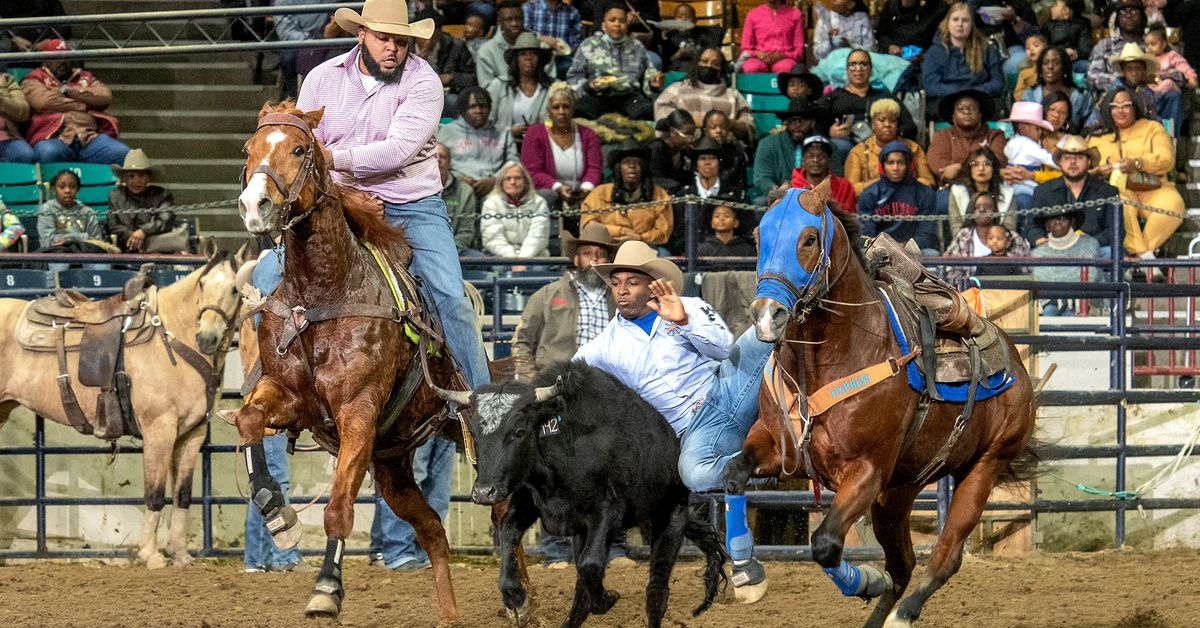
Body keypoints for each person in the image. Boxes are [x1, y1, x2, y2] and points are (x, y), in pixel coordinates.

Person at [296, 0, 490, 393]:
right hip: (335, 200)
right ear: (361, 35)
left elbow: (396, 151)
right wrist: (344, 193)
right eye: (384, 39)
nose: (393, 49)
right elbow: (301, 149)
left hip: (410, 205)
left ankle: (484, 406)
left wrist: (331, 158)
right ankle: (276, 386)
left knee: (451, 297)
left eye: (401, 42)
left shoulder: (423, 81)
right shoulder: (320, 79)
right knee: (270, 278)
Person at [574, 240, 776, 603]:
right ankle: (765, 461)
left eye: (631, 282)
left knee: (768, 327)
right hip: (693, 429)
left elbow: (723, 347)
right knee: (694, 474)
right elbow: (568, 376)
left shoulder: (690, 307)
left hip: (727, 389)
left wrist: (681, 321)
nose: (621, 290)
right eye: (616, 282)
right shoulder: (604, 345)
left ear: (651, 283)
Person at [242, 240, 306, 574]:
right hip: (271, 395)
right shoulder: (273, 268)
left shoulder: (264, 270)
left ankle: (257, 558)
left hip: (261, 395)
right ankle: (280, 557)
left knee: (265, 478)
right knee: (274, 476)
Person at [1087, 87, 1184, 269]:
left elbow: (1166, 160)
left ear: (1135, 108)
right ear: (1108, 109)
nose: (1120, 111)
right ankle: (1147, 259)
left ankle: (1141, 256)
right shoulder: (1096, 138)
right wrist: (1099, 171)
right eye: (1115, 107)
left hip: (1153, 187)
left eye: (1126, 106)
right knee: (1118, 205)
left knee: (1174, 204)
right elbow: (1084, 172)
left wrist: (1138, 163)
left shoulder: (1152, 128)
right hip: (1117, 191)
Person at [22, 39, 129, 165]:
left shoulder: (85, 77)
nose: (62, 62)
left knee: (123, 153)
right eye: (56, 58)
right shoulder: (34, 78)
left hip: (89, 137)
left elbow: (104, 97)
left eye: (66, 57)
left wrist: (67, 91)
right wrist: (84, 104)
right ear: (46, 60)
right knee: (47, 153)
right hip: (54, 137)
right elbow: (43, 102)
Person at [521, 82, 603, 220]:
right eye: (556, 107)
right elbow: (532, 171)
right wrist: (558, 187)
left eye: (566, 107)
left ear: (572, 110)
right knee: (548, 196)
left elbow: (595, 168)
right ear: (548, 111)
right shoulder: (535, 133)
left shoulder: (588, 134)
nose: (561, 112)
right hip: (550, 192)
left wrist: (586, 188)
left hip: (582, 192)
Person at [816, 49, 919, 158]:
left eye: (863, 64)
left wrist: (888, 133)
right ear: (847, 69)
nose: (858, 69)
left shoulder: (885, 96)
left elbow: (910, 127)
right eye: (853, 64)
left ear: (871, 69)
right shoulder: (833, 97)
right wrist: (829, 131)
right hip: (845, 144)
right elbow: (815, 122)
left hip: (881, 146)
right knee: (838, 147)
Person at [566, 4, 662, 120]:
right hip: (597, 94)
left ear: (627, 25)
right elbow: (574, 76)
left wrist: (652, 84)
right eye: (612, 20)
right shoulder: (589, 44)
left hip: (629, 95)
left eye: (622, 21)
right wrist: (587, 86)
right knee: (580, 110)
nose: (617, 24)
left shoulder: (637, 46)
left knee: (646, 111)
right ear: (603, 25)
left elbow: (649, 74)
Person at [1024, 134, 1117, 252]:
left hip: (1092, 249)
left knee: (1109, 253)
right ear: (1060, 162)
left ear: (1088, 162)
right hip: (1054, 248)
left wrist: (1091, 243)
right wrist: (1040, 239)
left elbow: (1115, 230)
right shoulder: (1043, 191)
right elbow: (1031, 226)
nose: (1072, 162)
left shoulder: (1107, 191)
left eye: (1079, 158)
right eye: (1067, 158)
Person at [580, 139, 673, 251]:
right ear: (618, 168)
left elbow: (663, 231)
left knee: (664, 255)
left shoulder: (659, 194)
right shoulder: (599, 193)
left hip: (645, 246)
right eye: (626, 162)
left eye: (637, 162)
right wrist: (620, 231)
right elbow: (588, 226)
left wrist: (639, 238)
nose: (632, 166)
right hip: (606, 246)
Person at [922, 2, 1004, 121]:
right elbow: (931, 87)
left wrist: (977, 92)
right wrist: (961, 93)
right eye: (955, 19)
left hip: (979, 98)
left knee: (1000, 109)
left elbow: (997, 82)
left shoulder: (986, 48)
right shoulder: (934, 52)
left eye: (965, 20)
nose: (960, 24)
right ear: (947, 23)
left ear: (972, 24)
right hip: (946, 101)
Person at [436, 87, 519, 200]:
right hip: (457, 188)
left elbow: (513, 163)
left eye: (483, 106)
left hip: (496, 188)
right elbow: (437, 162)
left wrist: (496, 180)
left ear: (490, 109)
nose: (478, 111)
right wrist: (456, 179)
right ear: (463, 110)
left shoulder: (503, 133)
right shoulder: (447, 132)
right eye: (473, 106)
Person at [857, 140, 939, 254]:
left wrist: (904, 246)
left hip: (913, 250)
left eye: (901, 162)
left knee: (932, 253)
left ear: (909, 165)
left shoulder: (925, 193)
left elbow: (926, 233)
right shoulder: (869, 194)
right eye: (890, 163)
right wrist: (885, 248)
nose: (895, 168)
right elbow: (866, 233)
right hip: (879, 251)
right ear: (883, 165)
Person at [653, 47, 752, 140]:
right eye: (704, 61)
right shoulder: (678, 89)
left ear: (721, 69)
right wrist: (695, 120)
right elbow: (662, 115)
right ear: (696, 64)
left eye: (715, 63)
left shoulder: (732, 95)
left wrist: (728, 123)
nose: (709, 66)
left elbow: (748, 126)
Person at [844, 98, 934, 195]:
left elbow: (929, 183)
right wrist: (882, 182)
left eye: (892, 121)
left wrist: (903, 183)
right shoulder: (859, 152)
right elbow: (851, 190)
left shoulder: (913, 148)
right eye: (881, 120)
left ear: (897, 124)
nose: (887, 125)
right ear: (873, 124)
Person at [927, 89, 1008, 187]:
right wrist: (980, 166)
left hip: (987, 188)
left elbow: (998, 163)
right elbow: (938, 165)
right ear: (953, 116)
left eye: (972, 108)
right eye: (961, 108)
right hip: (952, 187)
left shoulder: (995, 136)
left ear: (980, 115)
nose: (966, 111)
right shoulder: (942, 135)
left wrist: (959, 167)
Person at [944, 191, 1031, 281]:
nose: (982, 210)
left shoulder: (1013, 238)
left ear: (995, 210)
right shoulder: (963, 236)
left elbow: (1026, 273)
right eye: (977, 207)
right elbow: (951, 269)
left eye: (987, 206)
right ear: (971, 211)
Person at [107, 149, 181, 253]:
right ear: (124, 178)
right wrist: (132, 237)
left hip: (156, 249)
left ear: (148, 178)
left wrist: (143, 231)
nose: (137, 181)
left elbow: (166, 219)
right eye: (131, 176)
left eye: (141, 175)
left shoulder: (162, 194)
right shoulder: (115, 196)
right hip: (124, 248)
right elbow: (113, 225)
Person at [753, 101, 827, 204]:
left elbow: (834, 174)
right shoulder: (768, 143)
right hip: (780, 196)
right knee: (760, 202)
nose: (797, 125)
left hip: (816, 196)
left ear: (812, 122)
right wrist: (777, 192)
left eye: (803, 120)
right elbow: (762, 177)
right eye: (793, 120)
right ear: (786, 122)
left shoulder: (826, 146)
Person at [1031, 206, 1101, 316]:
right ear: (1046, 225)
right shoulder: (1037, 253)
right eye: (1052, 219)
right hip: (1050, 304)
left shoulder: (1089, 244)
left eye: (1063, 218)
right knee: (1049, 313)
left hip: (1082, 304)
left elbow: (1091, 277)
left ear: (1072, 222)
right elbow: (1040, 283)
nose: (1058, 222)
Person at [487, 32, 553, 140]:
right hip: (503, 147)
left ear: (540, 59)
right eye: (523, 54)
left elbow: (562, 126)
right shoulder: (499, 85)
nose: (528, 58)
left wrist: (540, 130)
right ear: (516, 59)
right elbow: (485, 124)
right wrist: (509, 132)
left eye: (534, 53)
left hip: (542, 145)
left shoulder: (552, 88)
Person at [476, 0, 556, 89]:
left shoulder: (541, 46)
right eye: (508, 20)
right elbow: (486, 89)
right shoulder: (486, 51)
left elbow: (550, 84)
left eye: (518, 19)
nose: (514, 24)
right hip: (501, 100)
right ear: (500, 22)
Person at [479, 162, 551, 259]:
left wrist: (523, 259)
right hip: (500, 256)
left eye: (518, 178)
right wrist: (512, 259)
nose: (513, 182)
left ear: (525, 181)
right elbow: (493, 238)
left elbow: (538, 236)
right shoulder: (491, 203)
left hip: (533, 256)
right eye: (508, 178)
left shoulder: (539, 202)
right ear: (501, 182)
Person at [414, 8, 477, 119]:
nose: (428, 40)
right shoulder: (404, 46)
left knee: (455, 101)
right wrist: (415, 62)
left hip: (445, 95)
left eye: (433, 35)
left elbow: (473, 77)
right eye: (423, 35)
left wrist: (453, 77)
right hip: (415, 96)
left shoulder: (456, 46)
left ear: (439, 33)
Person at [274, 0, 340, 100]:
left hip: (324, 37)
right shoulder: (282, 2)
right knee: (288, 58)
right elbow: (285, 32)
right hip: (296, 42)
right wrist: (311, 41)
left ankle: (329, 99)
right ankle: (292, 98)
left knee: (337, 57)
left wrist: (322, 37)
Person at [947, 147, 1019, 234]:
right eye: (976, 164)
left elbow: (1009, 228)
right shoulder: (958, 192)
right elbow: (956, 227)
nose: (981, 168)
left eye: (987, 164)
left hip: (998, 242)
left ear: (994, 168)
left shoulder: (1007, 193)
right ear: (970, 168)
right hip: (966, 243)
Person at [1019, 47, 1093, 131]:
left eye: (1056, 63)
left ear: (1064, 67)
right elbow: (1022, 128)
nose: (1050, 67)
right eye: (1046, 63)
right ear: (1041, 67)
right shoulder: (1030, 95)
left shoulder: (1081, 96)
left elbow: (1089, 127)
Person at [999, 102, 1060, 202]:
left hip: (1010, 186)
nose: (1040, 132)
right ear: (1024, 128)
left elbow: (1006, 152)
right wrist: (1063, 163)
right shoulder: (1030, 146)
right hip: (1028, 187)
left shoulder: (1011, 142)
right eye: (1037, 128)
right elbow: (1048, 159)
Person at [1087, 0, 1149, 94]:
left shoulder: (1152, 44)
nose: (1128, 16)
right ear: (1117, 19)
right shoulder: (1104, 45)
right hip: (1115, 97)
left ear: (1142, 17)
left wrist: (1150, 78)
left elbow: (1178, 73)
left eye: (1133, 11)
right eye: (1123, 12)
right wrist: (1123, 81)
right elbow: (1092, 77)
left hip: (1148, 95)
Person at [37, 169, 106, 253]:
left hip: (84, 252)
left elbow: (96, 242)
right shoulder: (47, 209)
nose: (67, 191)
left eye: (72, 187)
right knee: (60, 261)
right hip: (56, 252)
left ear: (78, 189)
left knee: (100, 264)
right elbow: (48, 241)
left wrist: (66, 239)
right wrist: (83, 237)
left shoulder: (87, 212)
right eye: (62, 187)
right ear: (53, 188)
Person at [791, 135, 857, 214]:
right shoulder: (793, 188)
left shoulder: (844, 187)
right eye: (810, 156)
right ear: (803, 160)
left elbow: (850, 219)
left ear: (829, 160)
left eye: (821, 156)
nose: (815, 160)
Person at [738, 0, 806, 74]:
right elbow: (745, 49)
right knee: (751, 68)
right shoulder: (753, 15)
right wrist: (757, 54)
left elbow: (799, 51)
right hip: (759, 59)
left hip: (786, 59)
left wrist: (783, 55)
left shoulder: (795, 14)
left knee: (785, 68)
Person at [437, 143, 480, 256]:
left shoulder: (465, 191)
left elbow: (466, 231)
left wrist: (449, 252)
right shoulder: (417, 190)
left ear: (450, 163)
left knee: (479, 259)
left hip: (456, 251)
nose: (438, 160)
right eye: (434, 157)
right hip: (426, 251)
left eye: (442, 156)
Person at [523, 0, 583, 78]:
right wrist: (540, 38)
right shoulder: (529, 8)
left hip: (561, 60)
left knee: (574, 67)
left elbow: (576, 42)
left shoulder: (572, 12)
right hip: (536, 57)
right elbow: (523, 35)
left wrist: (563, 48)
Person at [874, 0, 947, 57]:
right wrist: (889, 45)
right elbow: (881, 32)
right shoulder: (893, 5)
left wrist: (923, 56)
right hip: (894, 56)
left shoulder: (940, 9)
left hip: (923, 57)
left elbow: (942, 42)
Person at [648, 110, 696, 194]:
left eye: (693, 134)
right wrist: (677, 187)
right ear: (673, 132)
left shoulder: (685, 152)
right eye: (687, 134)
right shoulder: (656, 149)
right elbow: (653, 179)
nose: (691, 140)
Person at [701, 110, 749, 192]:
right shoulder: (696, 153)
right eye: (713, 127)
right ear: (705, 131)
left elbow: (741, 186)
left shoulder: (736, 154)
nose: (719, 131)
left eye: (723, 127)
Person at [1042, 0, 1093, 74]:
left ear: (1066, 10)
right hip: (1053, 62)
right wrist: (1061, 52)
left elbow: (1087, 48)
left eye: (1056, 5)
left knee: (1090, 66)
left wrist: (1077, 53)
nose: (1052, 8)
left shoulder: (1081, 25)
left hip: (1075, 62)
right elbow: (1043, 47)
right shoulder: (1047, 27)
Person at [1143, 26, 1197, 94]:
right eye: (1147, 45)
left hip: (1171, 87)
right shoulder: (1145, 59)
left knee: (1167, 83)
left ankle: (1156, 95)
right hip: (1152, 86)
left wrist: (1191, 77)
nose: (1149, 48)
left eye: (1153, 44)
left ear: (1163, 45)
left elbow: (1183, 66)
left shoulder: (1171, 56)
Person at [0, 69, 33, 163]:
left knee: (24, 154)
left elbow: (23, 112)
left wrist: (1, 100)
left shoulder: (5, 80)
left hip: (5, 139)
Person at [1012, 33, 1047, 98]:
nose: (1031, 49)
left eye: (1036, 46)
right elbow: (1017, 93)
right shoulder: (1024, 72)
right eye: (1028, 48)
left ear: (1045, 49)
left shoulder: (1050, 68)